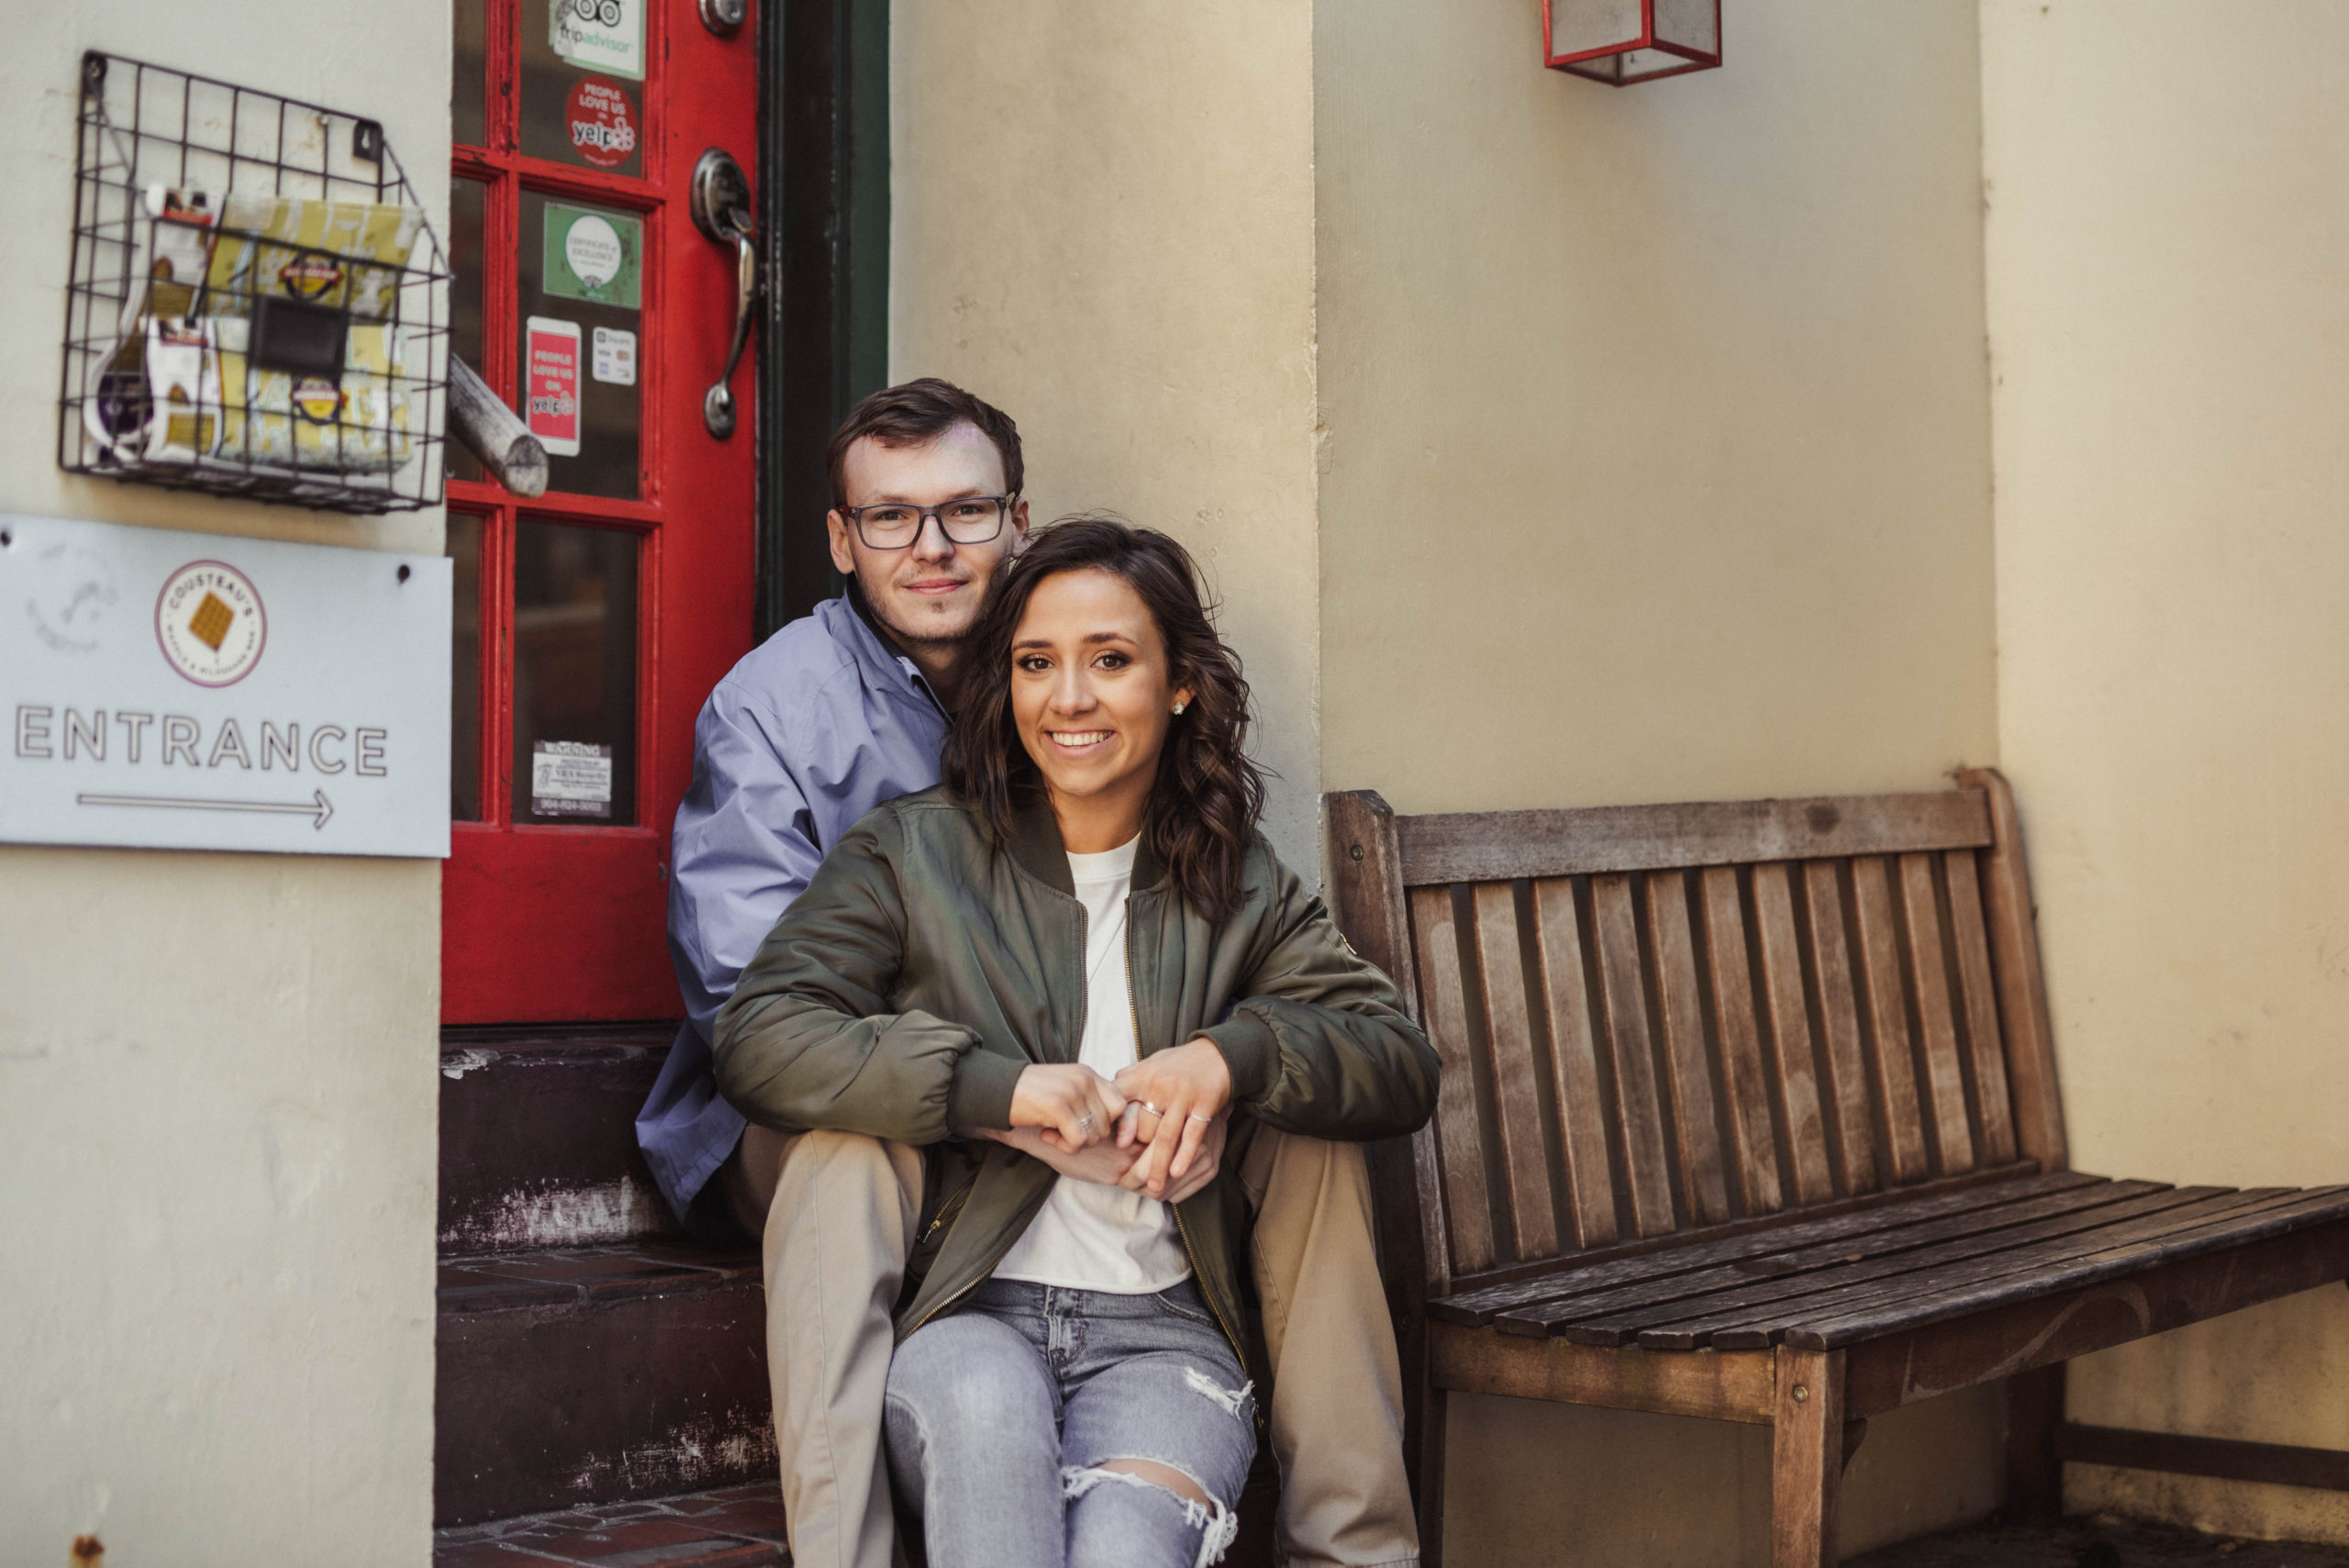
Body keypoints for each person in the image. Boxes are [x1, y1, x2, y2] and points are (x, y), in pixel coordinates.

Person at [636, 378, 1428, 1568]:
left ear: (1015, 519)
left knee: (1305, 1111)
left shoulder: (1208, 858)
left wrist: (1226, 1061)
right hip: (869, 1154)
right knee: (849, 1144)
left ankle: (1351, 1548)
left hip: (1137, 1292)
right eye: (893, 518)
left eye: (964, 511)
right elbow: (763, 1015)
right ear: (844, 540)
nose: (934, 546)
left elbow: (1383, 1046)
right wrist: (999, 1089)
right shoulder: (802, 736)